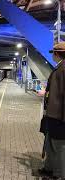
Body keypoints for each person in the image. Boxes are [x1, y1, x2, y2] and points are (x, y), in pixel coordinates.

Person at [39, 42, 65, 179]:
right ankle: (48, 169)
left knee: (59, 147)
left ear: (56, 53)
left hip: (60, 117)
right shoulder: (60, 67)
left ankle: (59, 175)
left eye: (53, 53)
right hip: (53, 115)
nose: (53, 56)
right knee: (49, 143)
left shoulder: (63, 69)